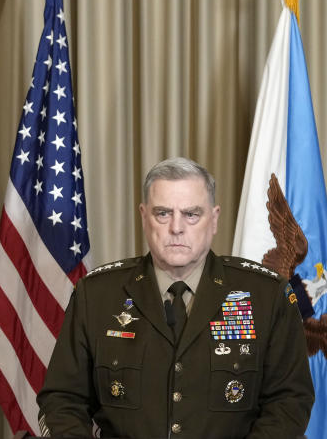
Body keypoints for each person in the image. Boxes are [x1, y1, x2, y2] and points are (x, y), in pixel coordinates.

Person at [37, 157, 313, 438]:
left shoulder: (266, 296)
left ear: (214, 219)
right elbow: (61, 400)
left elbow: (289, 402)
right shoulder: (96, 295)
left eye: (191, 214)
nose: (176, 228)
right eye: (163, 213)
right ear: (144, 217)